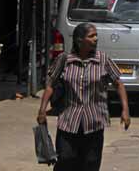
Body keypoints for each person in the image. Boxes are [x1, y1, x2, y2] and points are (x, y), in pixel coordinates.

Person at [37, 23, 130, 171]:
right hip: (69, 121)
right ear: (80, 40)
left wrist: (125, 110)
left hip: (94, 121)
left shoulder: (103, 59)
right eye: (91, 36)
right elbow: (50, 85)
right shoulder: (64, 59)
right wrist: (42, 110)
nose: (96, 38)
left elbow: (119, 84)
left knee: (91, 162)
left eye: (96, 35)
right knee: (66, 159)